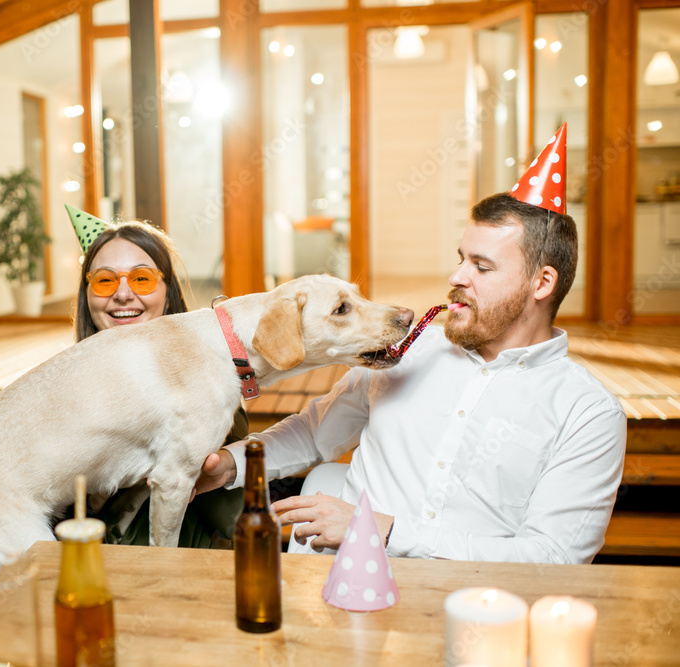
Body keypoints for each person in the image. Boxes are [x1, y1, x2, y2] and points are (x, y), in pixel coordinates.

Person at [194, 126, 627, 564]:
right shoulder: (407, 353)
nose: (457, 277)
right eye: (461, 258)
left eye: (482, 266)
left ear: (542, 283)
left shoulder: (587, 413)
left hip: (474, 613)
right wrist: (230, 465)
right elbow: (313, 432)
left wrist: (382, 531)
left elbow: (556, 558)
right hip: (346, 591)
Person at [66, 205, 247, 548]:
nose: (122, 294)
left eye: (141, 279)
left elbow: (227, 519)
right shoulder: (61, 386)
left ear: (167, 294)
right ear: (86, 296)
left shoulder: (209, 386)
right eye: (104, 280)